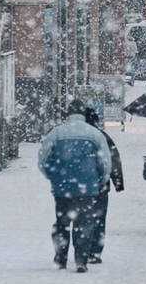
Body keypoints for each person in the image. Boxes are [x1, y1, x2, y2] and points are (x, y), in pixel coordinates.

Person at [38, 99, 111, 273]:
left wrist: (52, 176)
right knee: (84, 224)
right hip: (88, 187)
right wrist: (101, 179)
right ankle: (81, 260)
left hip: (62, 187)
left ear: (68, 114)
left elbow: (42, 160)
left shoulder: (56, 133)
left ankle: (61, 258)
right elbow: (105, 162)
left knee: (62, 223)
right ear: (83, 114)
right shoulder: (95, 134)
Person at [84, 108, 124, 264]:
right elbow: (114, 158)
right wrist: (118, 181)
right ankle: (95, 251)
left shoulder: (75, 137)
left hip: (78, 185)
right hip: (100, 185)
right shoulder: (102, 136)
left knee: (81, 218)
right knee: (99, 220)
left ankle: (82, 248)